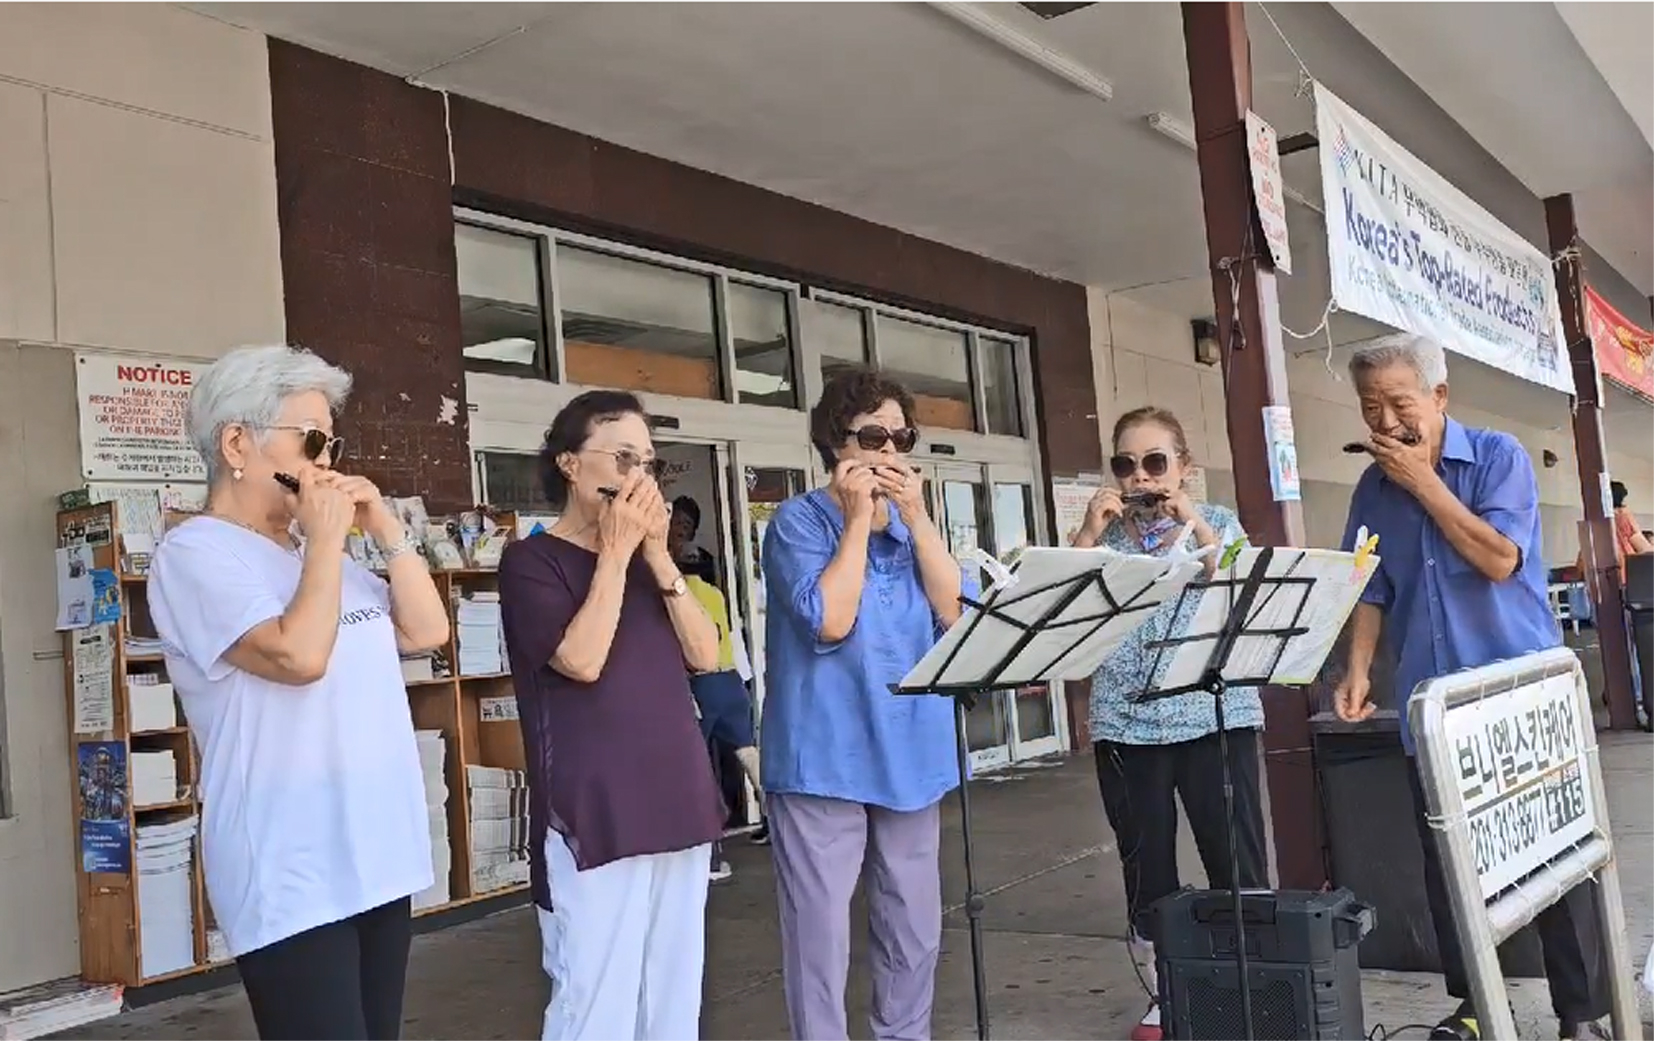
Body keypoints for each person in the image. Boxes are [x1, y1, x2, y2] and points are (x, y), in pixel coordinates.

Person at [147, 345, 452, 1040]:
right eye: (311, 439)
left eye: (331, 443)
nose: (325, 461)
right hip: (291, 866)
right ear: (237, 443)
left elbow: (428, 629)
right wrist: (323, 542)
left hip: (375, 850)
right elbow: (297, 654)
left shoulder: (320, 553)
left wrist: (385, 530)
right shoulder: (196, 554)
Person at [1333, 333, 1610, 1041]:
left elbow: (1498, 557)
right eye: (1371, 410)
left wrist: (1425, 483)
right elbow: (1369, 583)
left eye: (1400, 403)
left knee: (1555, 857)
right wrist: (1358, 668)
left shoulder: (1498, 458)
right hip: (1435, 711)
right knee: (1450, 871)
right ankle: (1477, 1007)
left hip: (1519, 703)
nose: (1387, 424)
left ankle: (1580, 1015)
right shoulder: (1371, 487)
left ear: (1438, 397)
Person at [497, 390, 726, 1041]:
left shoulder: (653, 563)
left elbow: (705, 653)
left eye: (648, 462)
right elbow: (582, 659)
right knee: (595, 1000)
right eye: (623, 458)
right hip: (593, 810)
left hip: (677, 793)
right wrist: (619, 554)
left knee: (674, 998)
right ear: (570, 463)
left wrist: (656, 556)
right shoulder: (532, 562)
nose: (639, 478)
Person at [761, 367, 970, 1041]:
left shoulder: (914, 524)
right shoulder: (796, 521)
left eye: (900, 436)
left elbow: (950, 608)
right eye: (872, 436)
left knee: (915, 924)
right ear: (835, 441)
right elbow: (828, 619)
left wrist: (914, 516)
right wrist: (857, 522)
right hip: (824, 752)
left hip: (912, 744)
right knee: (820, 935)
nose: (889, 451)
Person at [1071, 405, 1269, 1041]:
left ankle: (1256, 982)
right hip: (1127, 724)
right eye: (1125, 465)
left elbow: (1244, 584)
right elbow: (1061, 614)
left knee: (1236, 860)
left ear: (1184, 469)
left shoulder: (1216, 523)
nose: (1140, 478)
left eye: (1155, 463)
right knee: (1146, 866)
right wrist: (1087, 533)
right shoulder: (1102, 537)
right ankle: (1167, 994)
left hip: (1215, 713)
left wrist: (1193, 521)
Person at [667, 495, 769, 864]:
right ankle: (778, 821)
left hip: (700, 685)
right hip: (730, 681)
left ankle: (710, 851)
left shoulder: (673, 593)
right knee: (748, 753)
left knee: (697, 767)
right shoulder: (713, 591)